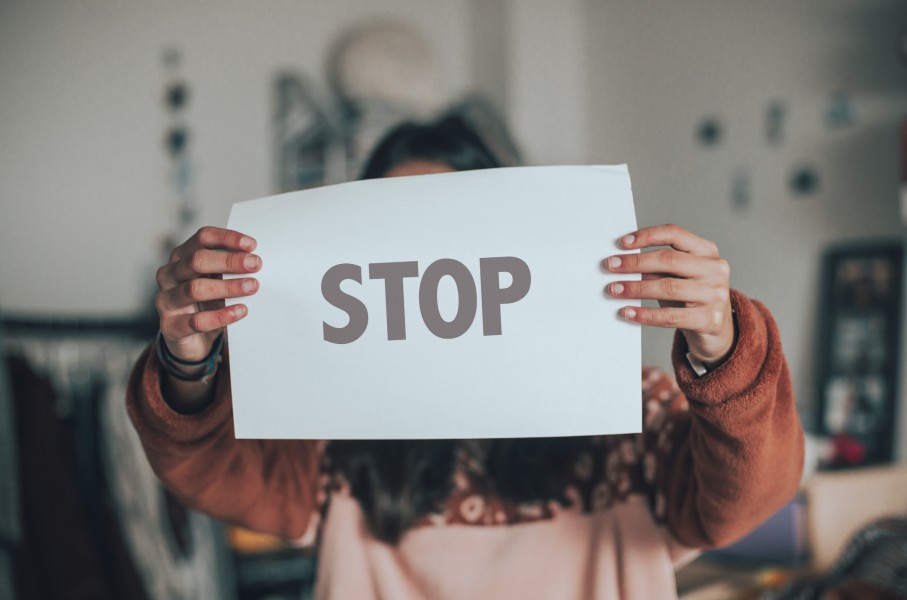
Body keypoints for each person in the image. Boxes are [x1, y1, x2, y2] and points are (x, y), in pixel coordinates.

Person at [128, 115, 804, 599]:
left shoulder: (626, 410)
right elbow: (209, 472)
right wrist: (187, 359)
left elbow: (746, 499)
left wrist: (723, 348)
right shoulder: (333, 436)